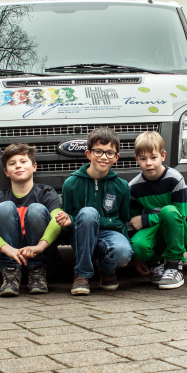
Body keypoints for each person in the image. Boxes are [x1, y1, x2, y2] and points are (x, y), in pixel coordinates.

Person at [0, 143, 72, 297]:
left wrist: (39, 247)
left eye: (23, 161)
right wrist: (9, 250)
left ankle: (37, 273)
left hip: (44, 261)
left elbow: (57, 220)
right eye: (12, 163)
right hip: (11, 260)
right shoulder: (1, 196)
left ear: (34, 166)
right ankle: (10, 275)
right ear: (6, 172)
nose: (18, 166)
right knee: (5, 207)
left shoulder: (46, 192)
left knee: (36, 208)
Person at [62, 127, 133, 296]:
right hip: (81, 234)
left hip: (108, 234)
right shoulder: (71, 184)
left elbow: (123, 220)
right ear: (88, 154)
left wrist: (128, 250)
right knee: (88, 213)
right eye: (98, 151)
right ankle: (82, 274)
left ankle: (106, 269)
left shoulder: (122, 186)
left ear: (116, 157)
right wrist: (69, 222)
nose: (104, 157)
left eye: (109, 153)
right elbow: (67, 221)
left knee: (123, 252)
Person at [128, 131, 187, 290]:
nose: (148, 163)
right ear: (136, 159)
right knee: (137, 245)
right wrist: (137, 258)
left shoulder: (175, 179)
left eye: (153, 157)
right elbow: (133, 223)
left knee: (169, 211)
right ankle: (156, 262)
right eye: (143, 159)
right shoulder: (133, 187)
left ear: (163, 156)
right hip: (154, 231)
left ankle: (174, 265)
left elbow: (180, 215)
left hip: (179, 229)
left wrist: (146, 219)